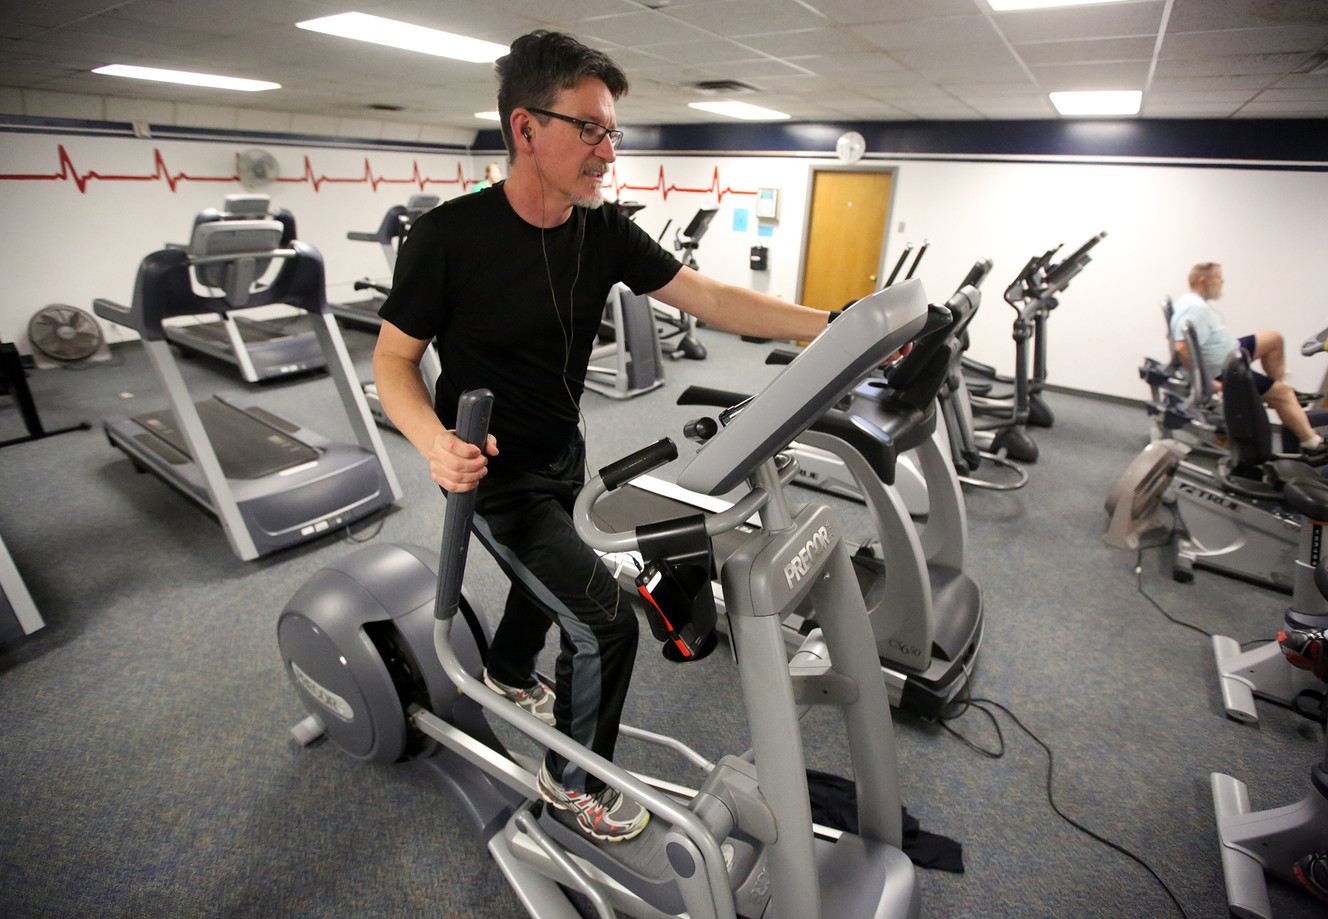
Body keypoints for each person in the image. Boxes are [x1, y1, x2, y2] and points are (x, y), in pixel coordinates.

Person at [372, 30, 867, 843]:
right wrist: (431, 439)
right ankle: (572, 785)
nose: (609, 151)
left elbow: (706, 296)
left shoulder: (599, 231)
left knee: (555, 585)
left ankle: (503, 671)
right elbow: (394, 359)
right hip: (492, 477)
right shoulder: (448, 238)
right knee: (602, 621)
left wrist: (830, 325)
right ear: (526, 129)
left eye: (613, 133)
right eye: (591, 129)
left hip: (564, 456)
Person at [1171, 262, 1328, 463]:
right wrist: (1208, 381)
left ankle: (1277, 393)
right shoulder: (1196, 309)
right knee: (1283, 394)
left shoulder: (1190, 301)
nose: (1222, 282)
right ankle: (1312, 444)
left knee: (1273, 339)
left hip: (1229, 352)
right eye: (1219, 278)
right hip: (1223, 367)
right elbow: (1182, 348)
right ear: (1203, 281)